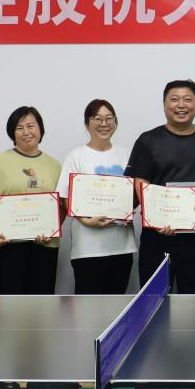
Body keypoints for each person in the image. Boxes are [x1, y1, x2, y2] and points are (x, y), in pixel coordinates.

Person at [126, 80, 195, 293]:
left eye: (187, 99)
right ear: (164, 104)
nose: (181, 105)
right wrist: (154, 218)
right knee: (154, 301)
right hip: (158, 235)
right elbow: (140, 181)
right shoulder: (148, 140)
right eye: (174, 99)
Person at [0, 106, 63, 295]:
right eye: (19, 127)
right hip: (6, 245)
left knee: (41, 302)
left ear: (40, 129)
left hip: (43, 245)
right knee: (6, 304)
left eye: (31, 126)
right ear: (12, 133)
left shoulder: (55, 166)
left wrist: (52, 230)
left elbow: (61, 205)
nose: (26, 132)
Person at [55, 99, 137, 295]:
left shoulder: (127, 155)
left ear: (115, 122)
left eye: (109, 118)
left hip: (122, 246)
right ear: (87, 124)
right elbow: (66, 198)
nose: (104, 124)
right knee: (88, 307)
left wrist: (129, 208)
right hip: (88, 248)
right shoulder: (76, 156)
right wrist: (87, 221)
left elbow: (135, 194)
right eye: (97, 118)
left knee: (117, 305)